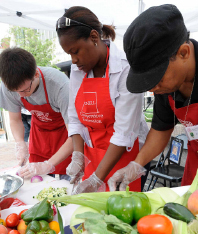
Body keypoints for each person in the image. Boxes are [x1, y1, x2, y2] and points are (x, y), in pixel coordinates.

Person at [108, 4, 198, 191]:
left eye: (156, 78)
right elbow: (161, 129)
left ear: (184, 52)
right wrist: (136, 165)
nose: (153, 88)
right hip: (197, 163)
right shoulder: (167, 83)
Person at [56, 6, 149, 194]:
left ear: (94, 37)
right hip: (93, 155)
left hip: (123, 157)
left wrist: (97, 179)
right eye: (69, 55)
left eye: (76, 51)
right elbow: (74, 117)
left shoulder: (125, 69)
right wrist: (78, 155)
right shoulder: (78, 69)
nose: (73, 60)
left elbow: (124, 133)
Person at [0, 47, 72, 180]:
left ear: (36, 74)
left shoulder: (60, 86)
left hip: (65, 136)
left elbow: (75, 135)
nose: (20, 95)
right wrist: (20, 143)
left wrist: (48, 164)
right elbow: (15, 119)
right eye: (16, 91)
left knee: (64, 182)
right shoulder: (8, 85)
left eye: (25, 90)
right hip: (39, 136)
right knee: (37, 181)